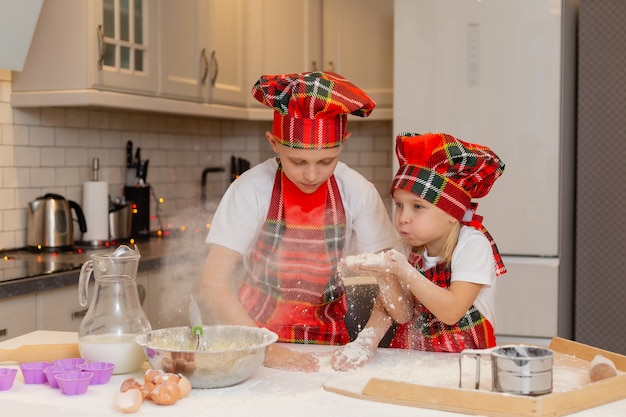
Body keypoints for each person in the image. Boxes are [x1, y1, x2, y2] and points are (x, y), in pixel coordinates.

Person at [200, 71, 398, 372]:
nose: (311, 175)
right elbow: (213, 282)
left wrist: (365, 342)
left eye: (325, 161)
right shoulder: (250, 190)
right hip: (252, 337)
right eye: (298, 161)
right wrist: (264, 348)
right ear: (274, 143)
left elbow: (390, 282)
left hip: (329, 341)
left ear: (344, 143)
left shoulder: (358, 192)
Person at [331, 132, 507, 370]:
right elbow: (401, 313)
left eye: (418, 207)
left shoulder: (472, 245)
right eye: (399, 205)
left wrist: (403, 271)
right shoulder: (405, 248)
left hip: (466, 365)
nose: (403, 218)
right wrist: (385, 278)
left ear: (451, 213)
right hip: (414, 361)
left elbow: (452, 311)